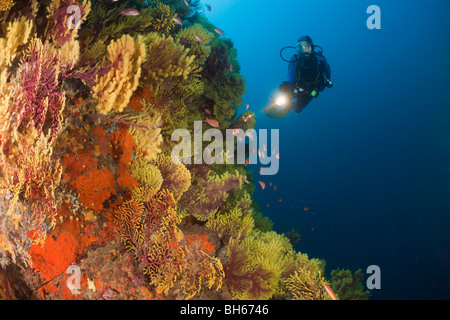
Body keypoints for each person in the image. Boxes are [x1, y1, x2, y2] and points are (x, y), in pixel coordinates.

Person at [264, 35, 333, 118]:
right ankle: (273, 108)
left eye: (306, 46)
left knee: (298, 109)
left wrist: (319, 87)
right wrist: (286, 84)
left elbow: (327, 81)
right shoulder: (295, 58)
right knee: (280, 100)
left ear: (311, 46)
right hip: (296, 86)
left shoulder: (321, 61)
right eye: (300, 47)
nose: (303, 50)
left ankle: (291, 106)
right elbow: (290, 75)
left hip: (311, 90)